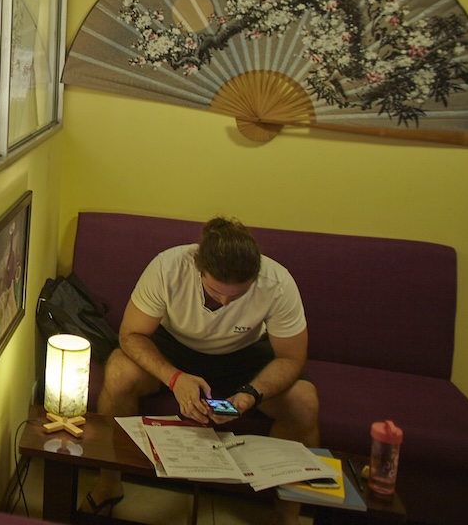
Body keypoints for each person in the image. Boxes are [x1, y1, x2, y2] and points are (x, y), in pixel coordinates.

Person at [86, 217, 319, 525]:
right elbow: (130, 334)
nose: (224, 301)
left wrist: (250, 395)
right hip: (174, 345)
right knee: (118, 374)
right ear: (198, 267)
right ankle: (109, 483)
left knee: (304, 403)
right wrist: (174, 378)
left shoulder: (277, 282)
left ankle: (287, 514)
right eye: (215, 291)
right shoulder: (168, 267)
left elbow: (291, 358)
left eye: (237, 295)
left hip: (245, 353)